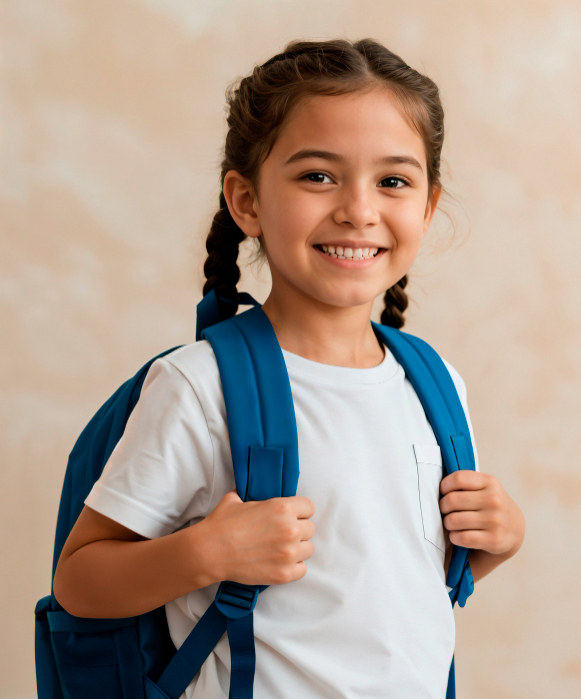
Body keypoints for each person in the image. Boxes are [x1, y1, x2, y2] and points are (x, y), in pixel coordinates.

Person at [52, 38, 525, 698]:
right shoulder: (202, 386)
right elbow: (78, 580)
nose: (358, 209)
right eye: (318, 176)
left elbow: (377, 585)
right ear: (247, 201)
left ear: (426, 204)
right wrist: (203, 553)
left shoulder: (436, 383)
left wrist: (488, 545)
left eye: (392, 180)